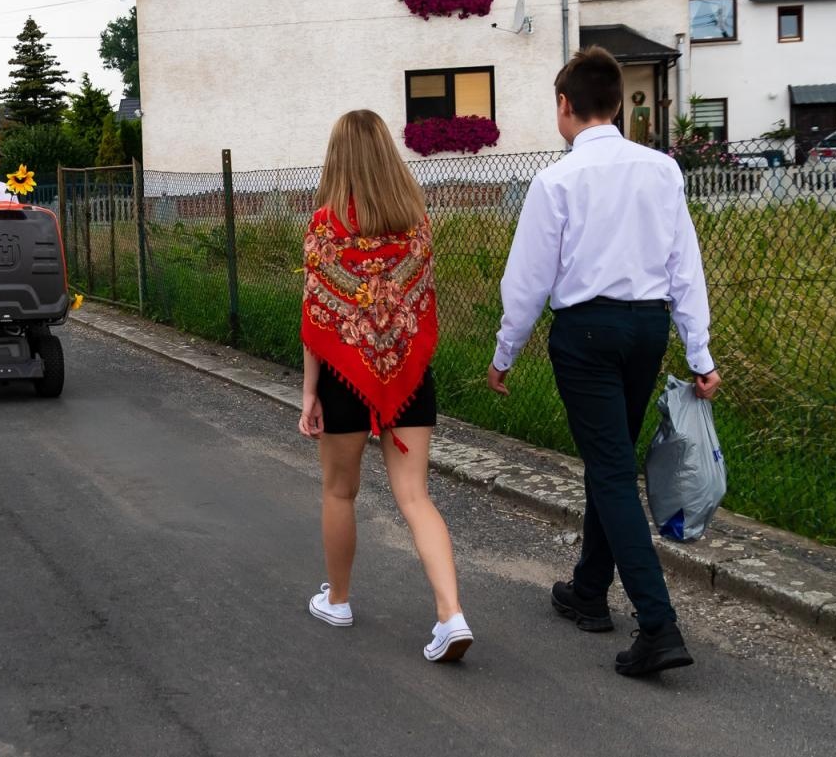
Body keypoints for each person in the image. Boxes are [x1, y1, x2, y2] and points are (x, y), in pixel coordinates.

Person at [488, 45, 720, 678]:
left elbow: (528, 279)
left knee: (612, 469)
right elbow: (684, 269)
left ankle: (658, 625)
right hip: (648, 330)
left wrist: (505, 353)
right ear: (617, 104)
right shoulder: (662, 170)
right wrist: (699, 354)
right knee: (610, 456)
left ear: (565, 106)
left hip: (586, 334)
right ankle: (589, 590)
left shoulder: (557, 180)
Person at [297, 109, 472, 664]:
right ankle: (451, 615)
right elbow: (418, 309)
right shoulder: (416, 224)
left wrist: (309, 394)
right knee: (417, 497)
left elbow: (318, 316)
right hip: (407, 376)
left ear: (338, 158)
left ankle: (340, 600)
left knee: (338, 492)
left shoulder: (325, 227)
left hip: (343, 378)